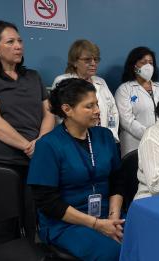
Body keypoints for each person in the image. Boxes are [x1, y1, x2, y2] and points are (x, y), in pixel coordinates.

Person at [0, 20, 54, 245]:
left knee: (32, 221)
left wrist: (41, 142)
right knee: (3, 227)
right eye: (11, 41)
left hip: (35, 160)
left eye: (20, 41)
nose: (18, 46)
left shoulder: (33, 76)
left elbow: (49, 114)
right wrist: (28, 146)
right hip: (0, 162)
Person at [28, 78, 125, 261]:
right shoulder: (48, 145)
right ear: (67, 110)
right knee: (113, 252)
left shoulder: (104, 136)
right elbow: (48, 202)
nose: (97, 111)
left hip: (107, 214)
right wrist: (97, 224)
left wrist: (113, 218)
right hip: (66, 223)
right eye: (89, 106)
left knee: (145, 237)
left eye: (97, 104)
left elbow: (117, 180)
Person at [52, 39, 119, 141]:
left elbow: (112, 112)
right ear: (74, 62)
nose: (93, 63)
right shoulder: (63, 81)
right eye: (87, 60)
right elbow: (58, 115)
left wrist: (110, 134)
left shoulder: (101, 82)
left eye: (96, 59)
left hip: (103, 139)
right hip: (73, 140)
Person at [115, 47, 159, 157]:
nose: (148, 66)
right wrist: (149, 135)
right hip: (135, 145)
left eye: (151, 63)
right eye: (143, 62)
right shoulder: (124, 89)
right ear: (134, 66)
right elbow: (126, 120)